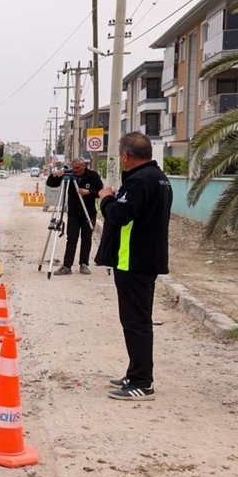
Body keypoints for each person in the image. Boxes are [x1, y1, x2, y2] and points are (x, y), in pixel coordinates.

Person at [94, 132, 172, 401]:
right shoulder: (159, 178)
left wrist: (105, 198)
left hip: (134, 260)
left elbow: (119, 215)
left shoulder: (139, 181)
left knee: (136, 322)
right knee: (136, 320)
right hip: (145, 258)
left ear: (126, 155)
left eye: (120, 155)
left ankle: (142, 382)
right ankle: (134, 372)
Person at [46, 157, 104, 275]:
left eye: (77, 168)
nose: (75, 170)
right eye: (74, 167)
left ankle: (84, 264)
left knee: (86, 239)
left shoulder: (92, 176)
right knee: (71, 239)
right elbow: (51, 184)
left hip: (89, 213)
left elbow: (100, 191)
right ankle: (67, 266)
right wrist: (54, 175)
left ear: (84, 166)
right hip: (73, 213)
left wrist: (89, 192)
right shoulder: (68, 174)